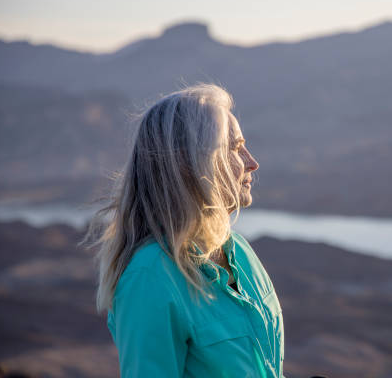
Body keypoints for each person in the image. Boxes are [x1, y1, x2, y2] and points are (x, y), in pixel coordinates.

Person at [83, 83, 284, 377]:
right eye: (236, 148)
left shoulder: (238, 251)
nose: (252, 163)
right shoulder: (150, 278)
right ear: (192, 163)